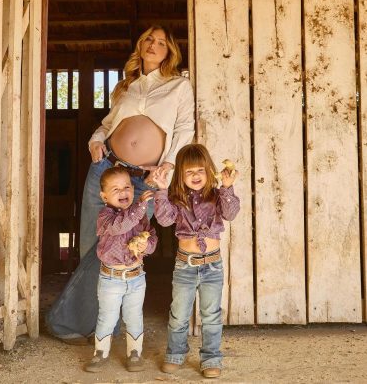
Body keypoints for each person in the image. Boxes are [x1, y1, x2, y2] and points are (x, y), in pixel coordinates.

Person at [46, 25, 195, 344]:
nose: (154, 45)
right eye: (149, 40)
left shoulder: (178, 86)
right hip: (107, 167)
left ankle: (84, 320)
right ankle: (100, 326)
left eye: (161, 43)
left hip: (146, 179)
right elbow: (106, 125)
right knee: (91, 244)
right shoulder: (126, 87)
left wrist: (168, 165)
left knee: (130, 247)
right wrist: (95, 141)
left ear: (169, 51)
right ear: (140, 46)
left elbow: (184, 128)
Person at [152, 144, 240, 379]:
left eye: (200, 170)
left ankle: (211, 357)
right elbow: (163, 220)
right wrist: (161, 190)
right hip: (185, 265)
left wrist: (228, 188)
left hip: (212, 265)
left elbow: (231, 214)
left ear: (209, 170)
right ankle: (175, 354)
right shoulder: (176, 198)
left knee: (211, 315)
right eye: (189, 172)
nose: (196, 176)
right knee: (179, 313)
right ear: (180, 174)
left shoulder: (217, 195)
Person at [84, 166, 157, 373]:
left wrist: (147, 245)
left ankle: (134, 353)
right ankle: (100, 353)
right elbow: (120, 226)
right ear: (103, 195)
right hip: (111, 279)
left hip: (136, 277)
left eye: (126, 187)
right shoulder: (105, 216)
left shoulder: (140, 216)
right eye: (115, 189)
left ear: (133, 189)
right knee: (107, 316)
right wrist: (141, 206)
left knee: (134, 316)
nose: (122, 192)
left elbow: (151, 236)